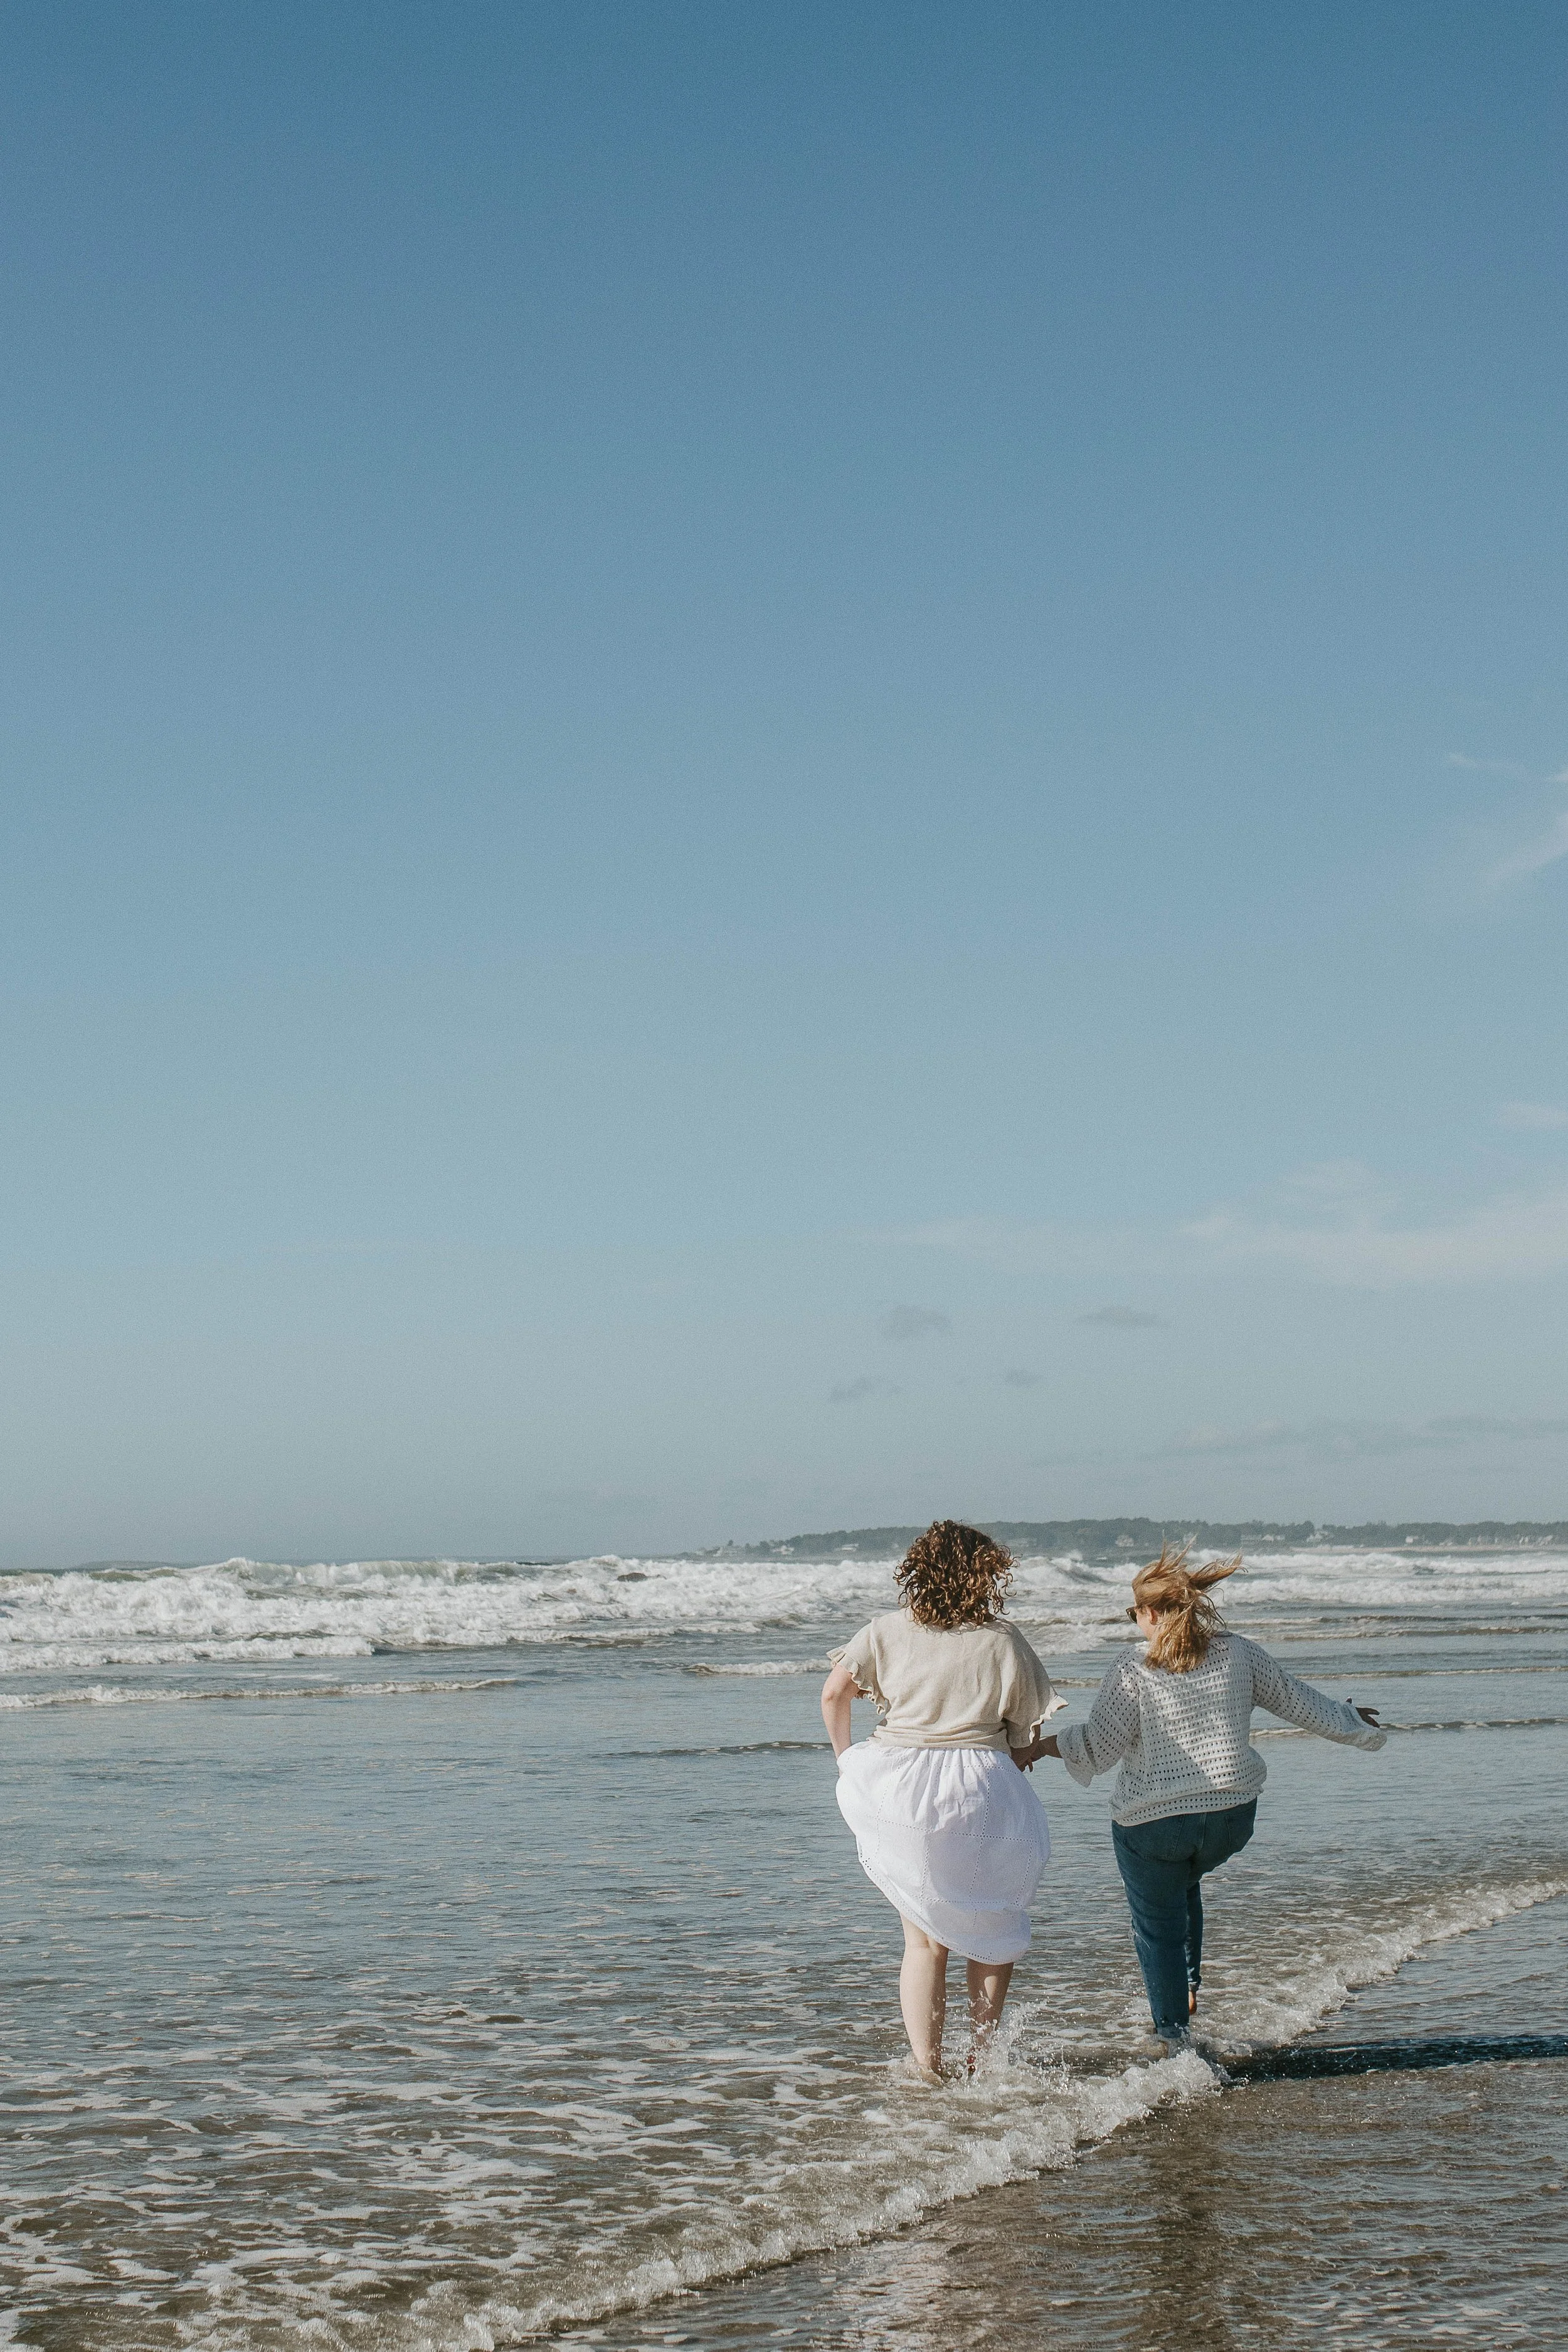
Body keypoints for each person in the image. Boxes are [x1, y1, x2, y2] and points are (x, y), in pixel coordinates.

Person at [1014, 1544, 1385, 2056]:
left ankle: (1172, 2039)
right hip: (1231, 1819)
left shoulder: (1134, 1666)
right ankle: (1187, 1989)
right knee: (1183, 1880)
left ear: (1150, 1613)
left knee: (1157, 1925)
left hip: (1155, 1826)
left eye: (1134, 1613)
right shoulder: (1240, 1652)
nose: (1135, 1623)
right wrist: (1352, 1720)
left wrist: (1040, 1746)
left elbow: (1099, 1749)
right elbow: (1300, 1703)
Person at [821, 1520, 1057, 2083]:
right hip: (981, 1787)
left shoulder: (883, 1631)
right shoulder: (1003, 1640)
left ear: (917, 1572)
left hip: (902, 1785)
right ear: (986, 1576)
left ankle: (928, 2068)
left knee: (924, 1938)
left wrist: (846, 1759)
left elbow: (834, 1693)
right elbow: (1024, 1730)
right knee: (993, 1928)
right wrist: (1012, 1755)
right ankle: (981, 2063)